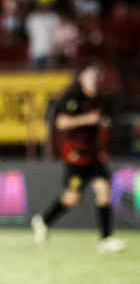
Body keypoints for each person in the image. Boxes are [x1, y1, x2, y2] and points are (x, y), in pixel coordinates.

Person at [32, 62, 126, 253]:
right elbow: (61, 122)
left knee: (103, 188)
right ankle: (43, 220)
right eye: (90, 74)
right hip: (76, 156)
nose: (94, 78)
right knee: (72, 197)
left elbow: (103, 119)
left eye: (96, 74)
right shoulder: (72, 98)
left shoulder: (99, 99)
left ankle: (105, 239)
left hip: (94, 154)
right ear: (81, 77)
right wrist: (87, 119)